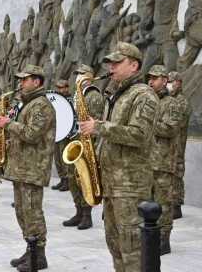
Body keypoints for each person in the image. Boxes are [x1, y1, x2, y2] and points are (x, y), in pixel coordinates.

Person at [79, 42, 159, 272]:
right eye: (110, 63)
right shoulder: (116, 94)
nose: (111, 67)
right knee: (115, 245)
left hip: (130, 186)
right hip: (112, 184)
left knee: (133, 249)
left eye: (117, 63)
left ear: (134, 65)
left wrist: (99, 128)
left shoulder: (144, 95)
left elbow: (139, 135)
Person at [0, 65, 55, 271]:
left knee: (32, 213)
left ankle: (39, 255)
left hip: (33, 168)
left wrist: (8, 124)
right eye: (20, 80)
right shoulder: (26, 104)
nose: (20, 83)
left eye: (25, 79)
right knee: (22, 212)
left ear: (37, 82)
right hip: (21, 167)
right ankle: (30, 249)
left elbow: (32, 134)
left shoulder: (42, 105)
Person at [147, 65, 186, 255]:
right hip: (146, 162)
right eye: (150, 78)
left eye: (155, 78)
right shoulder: (148, 101)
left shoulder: (172, 103)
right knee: (149, 203)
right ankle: (150, 236)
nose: (151, 81)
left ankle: (164, 240)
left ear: (164, 80)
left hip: (163, 162)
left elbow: (170, 129)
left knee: (164, 203)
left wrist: (148, 122)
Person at [63, 64, 104, 230]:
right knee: (73, 179)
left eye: (80, 74)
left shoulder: (93, 95)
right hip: (76, 139)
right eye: (76, 74)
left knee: (84, 179)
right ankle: (78, 211)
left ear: (88, 75)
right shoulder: (79, 94)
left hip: (88, 142)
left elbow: (96, 121)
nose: (77, 77)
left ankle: (87, 215)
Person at [167, 71, 190, 220]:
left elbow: (177, 122)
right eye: (167, 81)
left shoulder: (182, 101)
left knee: (177, 174)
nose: (169, 84)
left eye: (172, 81)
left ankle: (177, 206)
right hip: (167, 145)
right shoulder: (167, 99)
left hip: (177, 144)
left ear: (179, 83)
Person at [51, 79, 71, 191]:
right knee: (57, 157)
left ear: (67, 88)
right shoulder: (56, 99)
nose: (60, 90)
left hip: (66, 133)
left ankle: (67, 180)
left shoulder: (70, 100)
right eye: (58, 87)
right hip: (56, 132)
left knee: (64, 157)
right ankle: (62, 179)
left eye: (62, 87)